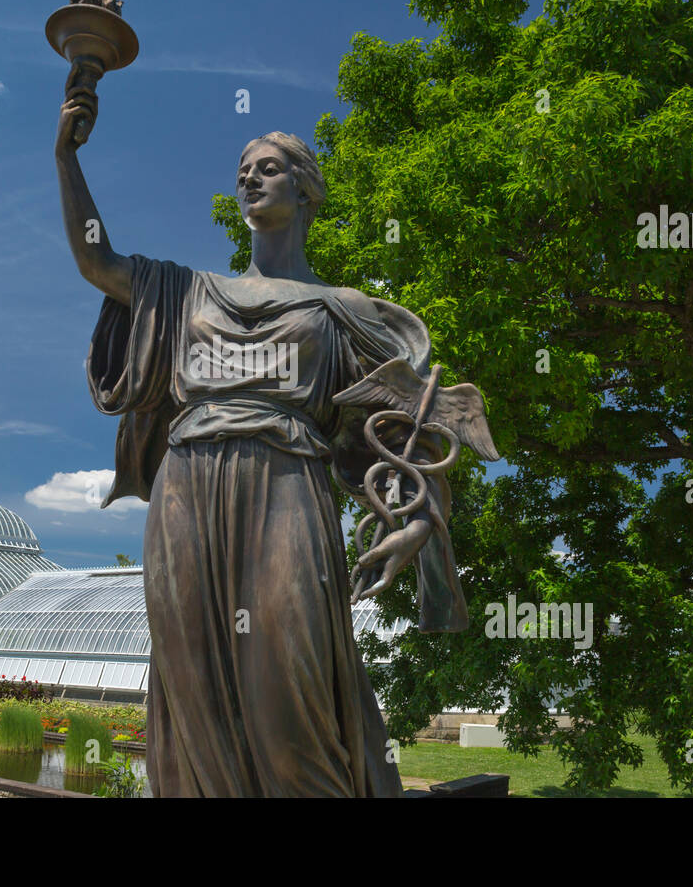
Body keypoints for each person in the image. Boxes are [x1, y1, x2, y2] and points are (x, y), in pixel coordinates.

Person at [55, 62, 472, 796]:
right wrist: (68, 155)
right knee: (194, 684)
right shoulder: (187, 291)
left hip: (288, 485)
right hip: (188, 485)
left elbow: (419, 424)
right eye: (242, 171)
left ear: (305, 191)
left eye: (268, 169)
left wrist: (414, 521)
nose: (249, 179)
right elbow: (96, 260)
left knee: (290, 684)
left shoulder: (341, 310)